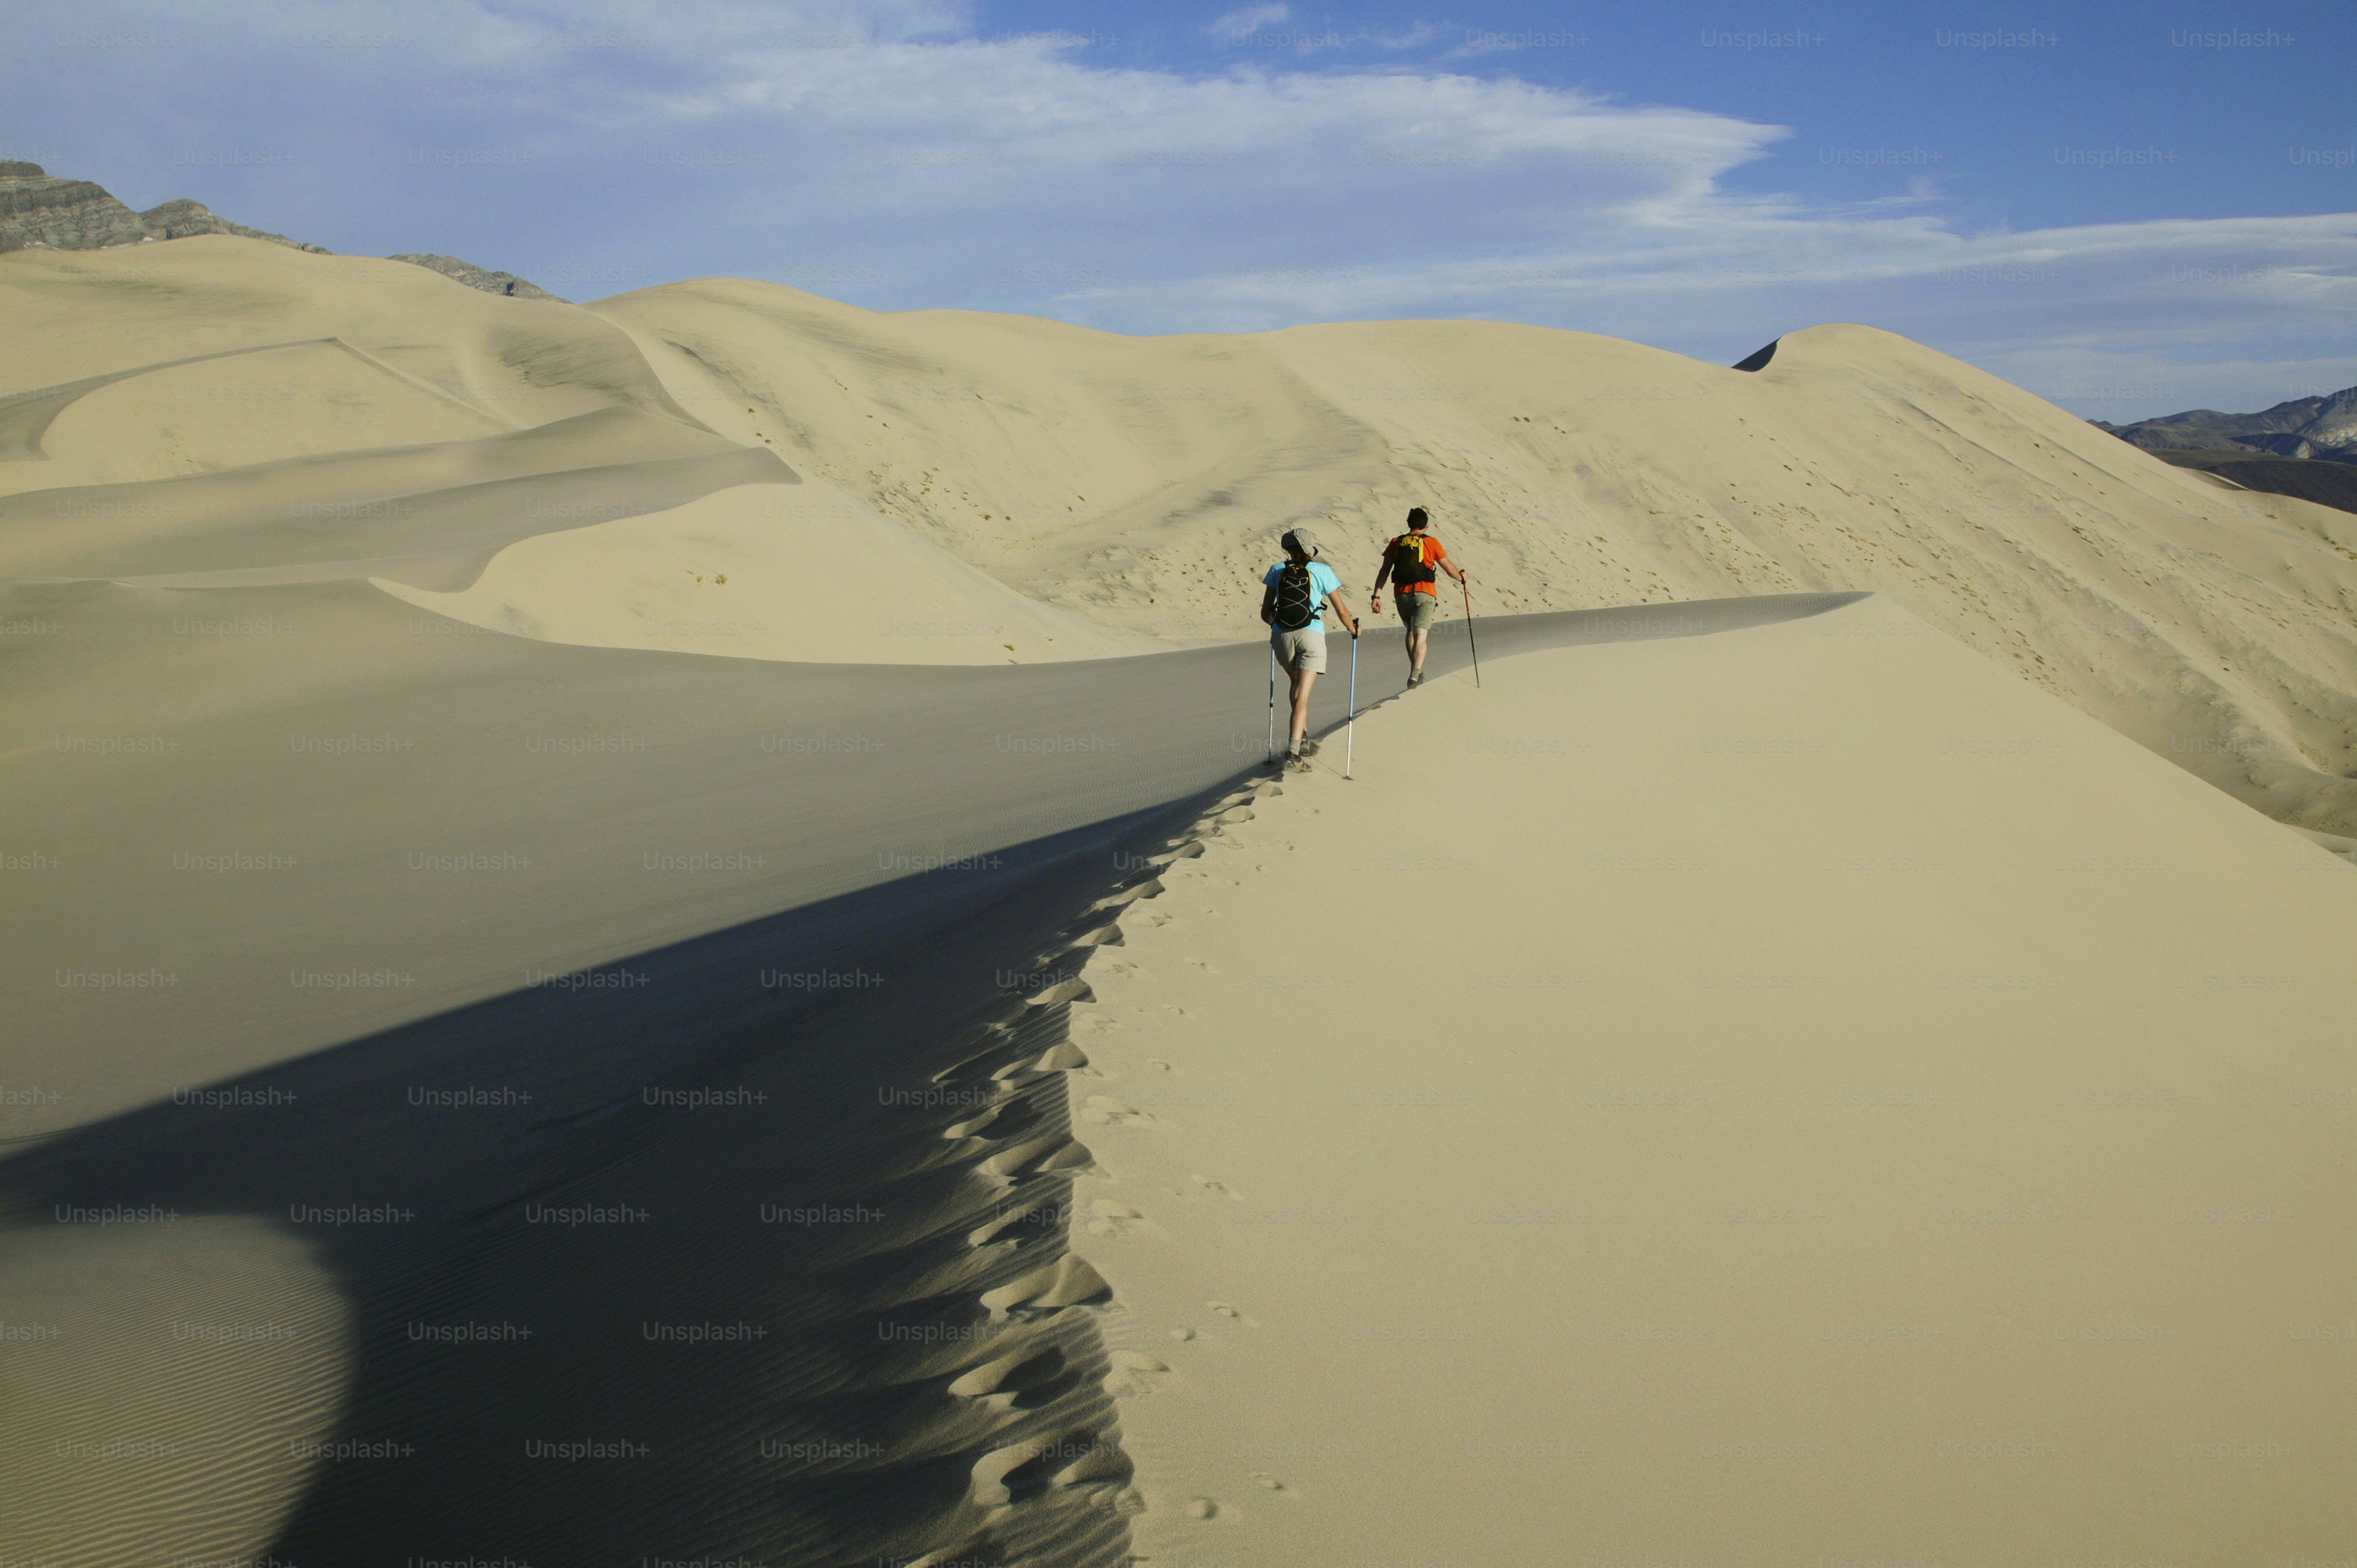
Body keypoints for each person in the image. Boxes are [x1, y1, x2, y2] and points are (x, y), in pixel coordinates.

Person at [1260, 525, 1359, 770]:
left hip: (1282, 637)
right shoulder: (1322, 571)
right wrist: (1354, 630)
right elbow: (1341, 610)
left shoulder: (1277, 570)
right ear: (1309, 548)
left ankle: (1301, 737)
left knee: (1295, 684)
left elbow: (1265, 613)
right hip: (1311, 635)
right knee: (1303, 693)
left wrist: (1279, 627)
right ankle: (1294, 750)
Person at [1369, 506, 1466, 687]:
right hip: (1425, 594)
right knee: (1421, 634)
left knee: (1411, 631)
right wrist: (1462, 578)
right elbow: (1449, 568)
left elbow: (1385, 570)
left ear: (1409, 523)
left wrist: (1377, 595)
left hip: (1402, 594)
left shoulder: (1397, 542)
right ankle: (1415, 674)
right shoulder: (1432, 543)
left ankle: (1416, 671)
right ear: (1426, 526)